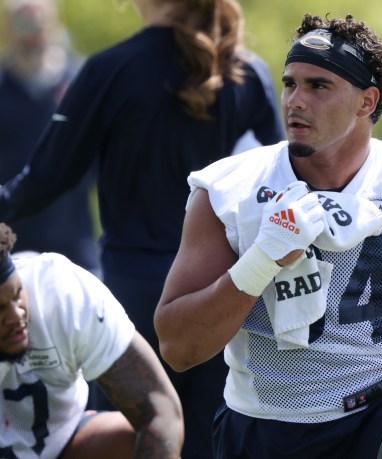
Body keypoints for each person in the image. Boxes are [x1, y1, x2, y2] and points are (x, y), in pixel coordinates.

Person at [154, 14, 382, 458]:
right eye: (290, 83)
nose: (296, 100)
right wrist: (261, 260)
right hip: (266, 427)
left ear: (366, 102)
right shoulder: (230, 189)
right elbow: (178, 347)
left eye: (318, 86)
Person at [0, 0, 284, 457]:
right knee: (213, 443)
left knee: (148, 437)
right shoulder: (246, 72)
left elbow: (47, 178)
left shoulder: (110, 69)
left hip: (135, 299)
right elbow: (278, 188)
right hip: (223, 297)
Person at [0, 222, 183, 458]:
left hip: (61, 443)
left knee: (127, 439)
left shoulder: (60, 292)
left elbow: (159, 410)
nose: (16, 315)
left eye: (17, 294)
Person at [0, 0, 100, 276]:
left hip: (75, 236)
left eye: (38, 21)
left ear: (55, 24)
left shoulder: (81, 80)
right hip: (11, 237)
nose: (31, 33)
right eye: (23, 23)